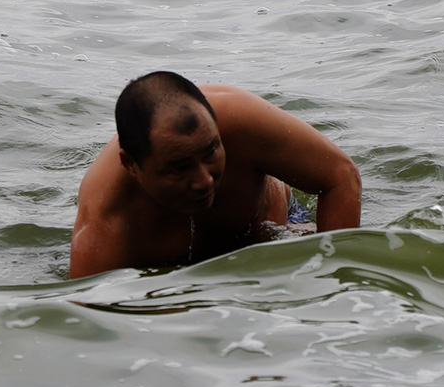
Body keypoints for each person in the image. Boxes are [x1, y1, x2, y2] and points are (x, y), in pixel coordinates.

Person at [69, 71, 361, 279]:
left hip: (278, 228)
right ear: (131, 165)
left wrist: (332, 283)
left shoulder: (238, 119)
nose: (205, 180)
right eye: (179, 168)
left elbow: (340, 177)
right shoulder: (105, 229)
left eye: (211, 153)